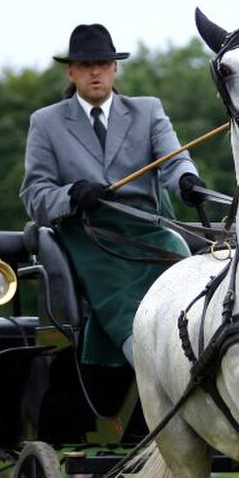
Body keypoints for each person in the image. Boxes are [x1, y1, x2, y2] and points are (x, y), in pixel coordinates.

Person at [20, 23, 208, 367]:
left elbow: (175, 161)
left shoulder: (148, 110)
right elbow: (35, 194)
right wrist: (72, 195)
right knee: (128, 309)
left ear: (114, 68)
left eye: (103, 63)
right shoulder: (45, 122)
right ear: (72, 72)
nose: (96, 71)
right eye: (87, 65)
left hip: (148, 230)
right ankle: (147, 364)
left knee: (191, 289)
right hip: (90, 237)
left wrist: (187, 182)